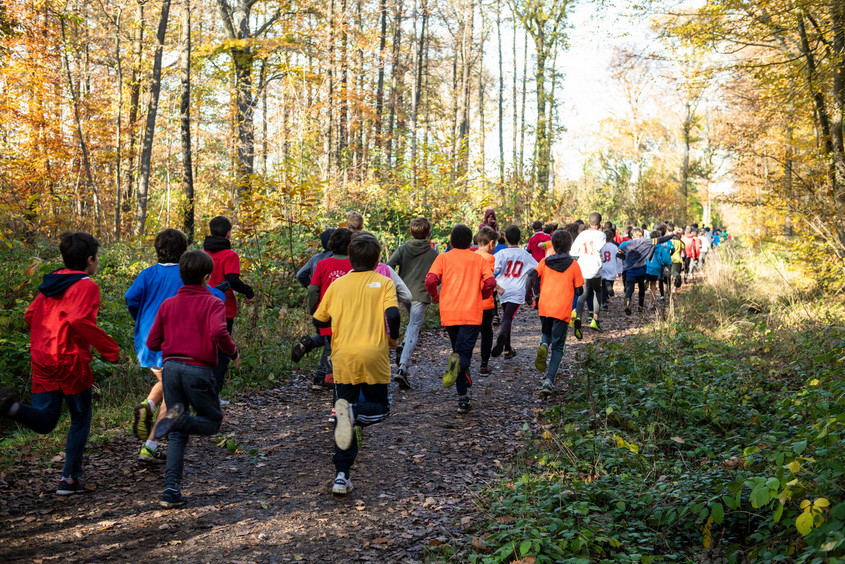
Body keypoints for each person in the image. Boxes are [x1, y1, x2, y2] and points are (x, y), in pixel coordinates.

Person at [0, 232, 119, 495]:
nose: (97, 262)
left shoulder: (51, 283)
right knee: (80, 417)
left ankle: (12, 408)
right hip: (70, 360)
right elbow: (78, 320)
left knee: (46, 420)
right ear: (90, 260)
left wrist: (46, 337)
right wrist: (110, 350)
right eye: (97, 258)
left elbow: (30, 315)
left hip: (43, 359)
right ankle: (69, 479)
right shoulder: (86, 285)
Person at [147, 250, 239, 509]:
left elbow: (153, 341)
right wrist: (233, 353)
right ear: (207, 277)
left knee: (177, 433)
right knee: (212, 422)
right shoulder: (213, 302)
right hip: (197, 370)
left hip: (171, 369)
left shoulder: (168, 305)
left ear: (181, 274)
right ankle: (176, 419)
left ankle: (171, 491)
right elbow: (220, 331)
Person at [313, 233, 399, 495]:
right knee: (380, 409)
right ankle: (352, 412)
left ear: (350, 258)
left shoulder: (337, 286)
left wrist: (337, 324)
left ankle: (341, 475)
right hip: (374, 356)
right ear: (377, 260)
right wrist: (393, 338)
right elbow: (393, 314)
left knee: (343, 421)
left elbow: (319, 320)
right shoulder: (383, 282)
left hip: (343, 358)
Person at [125, 229, 188, 464]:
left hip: (147, 339)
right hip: (174, 341)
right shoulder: (185, 275)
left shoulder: (147, 274)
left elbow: (131, 298)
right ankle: (150, 446)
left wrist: (140, 318)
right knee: (174, 395)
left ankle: (148, 406)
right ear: (183, 251)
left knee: (165, 381)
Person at [425, 224, 496, 414]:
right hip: (471, 313)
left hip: (449, 312)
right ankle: (462, 395)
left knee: (458, 351)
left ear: (450, 241)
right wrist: (482, 294)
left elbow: (430, 280)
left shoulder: (443, 257)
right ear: (470, 242)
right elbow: (491, 282)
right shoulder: (478, 259)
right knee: (462, 355)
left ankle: (463, 395)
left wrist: (434, 295)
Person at [524, 230, 584, 395]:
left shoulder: (545, 261)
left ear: (553, 245)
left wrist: (529, 297)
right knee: (558, 346)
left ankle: (543, 345)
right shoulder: (573, 265)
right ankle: (549, 381)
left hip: (545, 306)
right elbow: (580, 291)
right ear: (569, 246)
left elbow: (530, 276)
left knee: (546, 332)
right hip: (562, 309)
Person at [293, 228, 353, 390]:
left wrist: (314, 309)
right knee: (331, 345)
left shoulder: (320, 262)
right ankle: (322, 378)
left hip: (324, 310)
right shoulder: (353, 264)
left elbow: (310, 287)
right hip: (347, 312)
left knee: (327, 340)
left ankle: (309, 344)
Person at [202, 216, 254, 395]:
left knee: (204, 351)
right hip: (224, 309)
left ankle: (205, 394)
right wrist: (249, 292)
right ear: (229, 234)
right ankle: (213, 396)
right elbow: (232, 280)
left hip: (201, 308)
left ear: (210, 232)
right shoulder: (230, 255)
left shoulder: (201, 254)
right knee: (222, 352)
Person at [386, 217, 439, 389]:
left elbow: (388, 266)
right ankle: (402, 368)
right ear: (428, 233)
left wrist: (395, 284)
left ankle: (403, 345)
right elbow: (438, 275)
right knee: (414, 327)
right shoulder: (433, 253)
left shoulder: (403, 248)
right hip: (421, 294)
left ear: (411, 232)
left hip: (404, 293)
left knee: (412, 324)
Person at [491, 224, 537, 361]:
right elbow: (537, 269)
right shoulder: (525, 254)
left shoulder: (501, 254)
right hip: (517, 289)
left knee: (507, 316)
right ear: (520, 238)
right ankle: (502, 337)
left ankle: (507, 349)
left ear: (505, 238)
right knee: (507, 317)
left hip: (502, 288)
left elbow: (492, 269)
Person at [618, 229, 675, 314]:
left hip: (630, 269)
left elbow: (618, 254)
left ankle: (628, 299)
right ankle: (640, 307)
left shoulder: (627, 244)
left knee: (630, 287)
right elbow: (659, 240)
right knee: (641, 288)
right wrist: (671, 236)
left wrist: (626, 259)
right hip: (642, 269)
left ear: (632, 236)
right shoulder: (646, 242)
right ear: (641, 235)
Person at [570, 212, 606, 337]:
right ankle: (595, 319)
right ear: (599, 223)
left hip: (583, 267)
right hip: (596, 268)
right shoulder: (602, 235)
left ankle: (578, 317)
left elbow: (573, 251)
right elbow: (600, 249)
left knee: (582, 294)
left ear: (588, 222)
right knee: (597, 291)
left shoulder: (582, 235)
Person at [474, 227, 498, 375]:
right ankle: (484, 365)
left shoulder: (473, 255)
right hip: (485, 302)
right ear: (491, 243)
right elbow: (490, 281)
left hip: (470, 302)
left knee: (471, 333)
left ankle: (464, 364)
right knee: (487, 332)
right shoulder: (490, 258)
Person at [645, 230, 672, 307]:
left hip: (647, 266)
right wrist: (665, 263)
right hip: (656, 268)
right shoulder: (661, 247)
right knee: (653, 285)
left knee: (646, 282)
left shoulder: (647, 246)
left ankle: (645, 284)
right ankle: (651, 303)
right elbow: (665, 259)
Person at [599, 229, 619, 310]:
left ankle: (603, 302)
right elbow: (618, 257)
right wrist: (619, 269)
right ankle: (609, 288)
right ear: (611, 238)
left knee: (602, 286)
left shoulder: (600, 246)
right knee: (609, 282)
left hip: (602, 266)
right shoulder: (614, 247)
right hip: (611, 266)